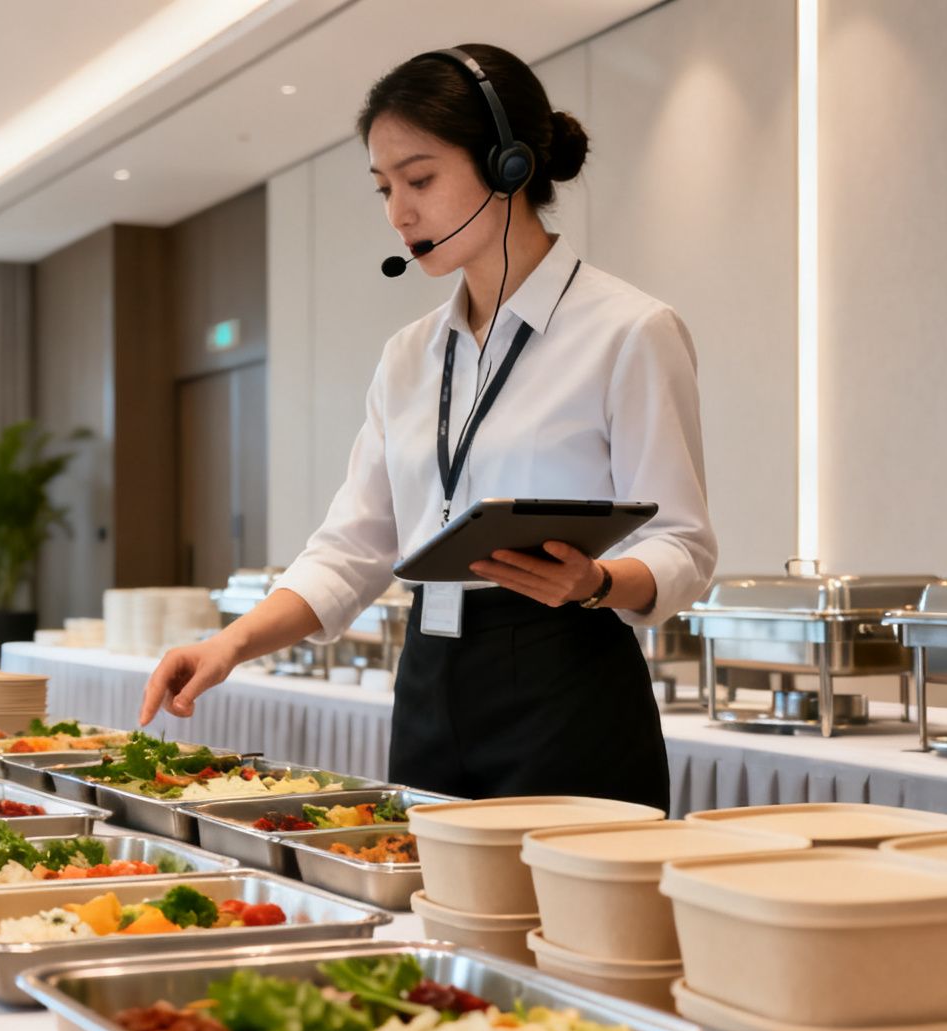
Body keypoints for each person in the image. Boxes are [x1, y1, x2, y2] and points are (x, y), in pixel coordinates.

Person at [138, 44, 715, 808]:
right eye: (384, 187)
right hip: (427, 681)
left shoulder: (628, 330)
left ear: (508, 165)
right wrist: (230, 643)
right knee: (423, 885)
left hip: (566, 679)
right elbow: (351, 548)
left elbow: (682, 544)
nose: (398, 213)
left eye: (419, 179)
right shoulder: (409, 355)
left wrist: (599, 580)